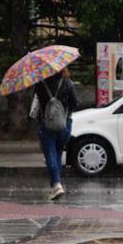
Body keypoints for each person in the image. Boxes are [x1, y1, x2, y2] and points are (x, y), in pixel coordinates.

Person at [35, 67, 78, 201]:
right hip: (64, 124)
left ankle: (56, 184)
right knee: (58, 153)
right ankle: (56, 183)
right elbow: (75, 103)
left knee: (50, 154)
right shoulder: (68, 83)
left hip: (46, 124)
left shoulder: (40, 84)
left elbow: (37, 104)